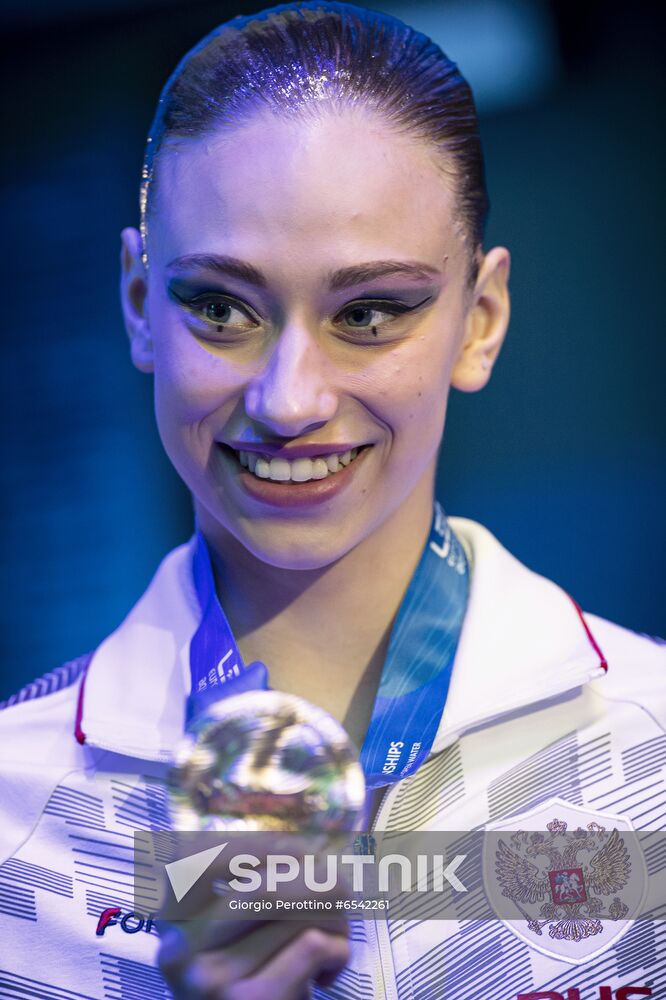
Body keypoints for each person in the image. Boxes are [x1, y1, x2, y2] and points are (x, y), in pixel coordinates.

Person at [0, 3, 664, 998]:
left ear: (480, 322)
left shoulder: (649, 751)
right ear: (141, 305)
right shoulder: (15, 814)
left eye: (368, 313)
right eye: (221, 308)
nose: (289, 400)